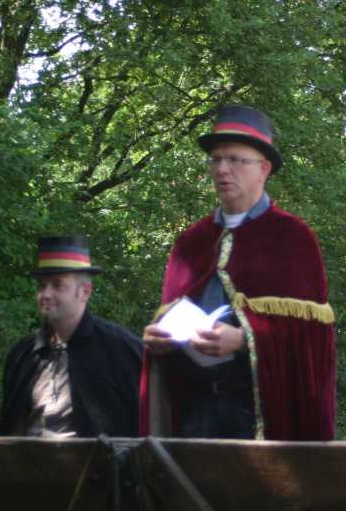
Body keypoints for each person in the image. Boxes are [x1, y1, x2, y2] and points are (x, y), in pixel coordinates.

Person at [139, 105, 335, 440]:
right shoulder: (191, 242)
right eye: (216, 159)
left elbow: (313, 343)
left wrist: (245, 340)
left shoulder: (293, 238)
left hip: (259, 413)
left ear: (263, 169)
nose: (222, 169)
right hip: (193, 411)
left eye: (235, 160)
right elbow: (168, 323)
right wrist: (158, 341)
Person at [0, 235, 143, 437]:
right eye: (42, 286)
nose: (45, 294)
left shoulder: (123, 351)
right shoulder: (23, 355)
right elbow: (8, 433)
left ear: (85, 291)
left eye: (57, 285)